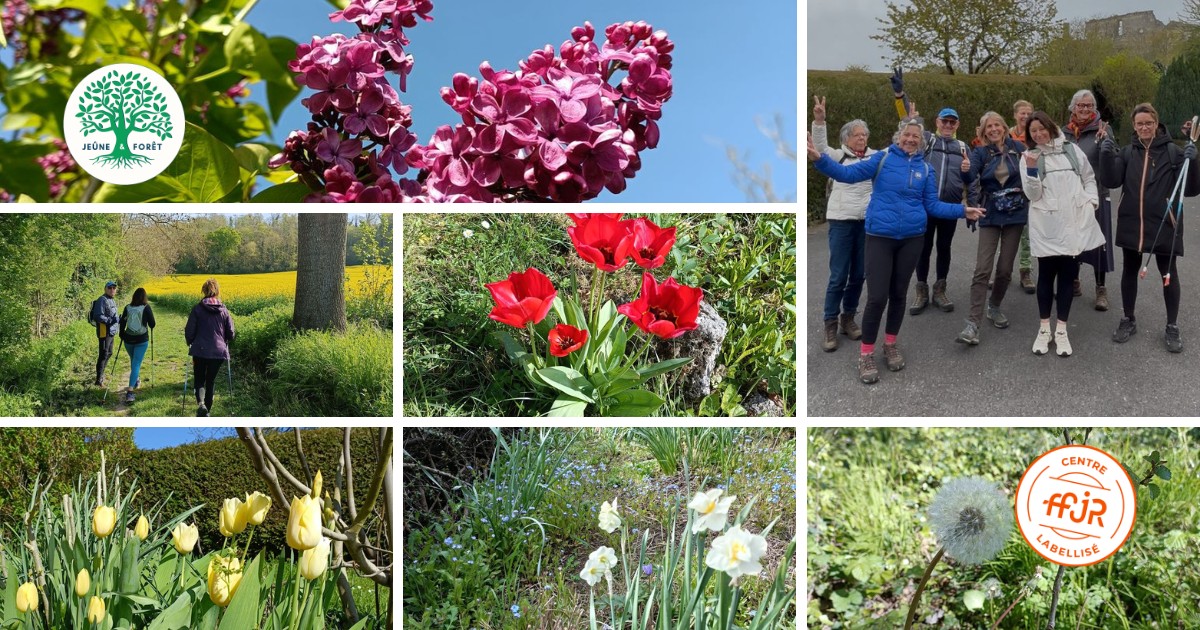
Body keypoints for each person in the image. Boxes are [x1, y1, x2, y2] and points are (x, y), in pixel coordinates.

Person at [809, 120, 986, 384]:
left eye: (916, 136)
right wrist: (819, 158)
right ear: (898, 137)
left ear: (922, 142)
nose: (911, 139)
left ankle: (890, 343)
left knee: (899, 295)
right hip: (880, 237)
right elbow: (847, 175)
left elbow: (933, 205)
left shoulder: (925, 170)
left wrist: (963, 210)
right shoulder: (881, 159)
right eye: (907, 134)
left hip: (912, 239)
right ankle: (866, 353)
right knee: (877, 297)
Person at [1099, 102, 1200, 352]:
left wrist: (1194, 162)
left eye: (1149, 123)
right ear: (1134, 126)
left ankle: (1172, 326)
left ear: (1156, 124)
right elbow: (1111, 180)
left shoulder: (1173, 153)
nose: (1144, 127)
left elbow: (1191, 189)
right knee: (1129, 272)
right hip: (1132, 223)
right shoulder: (1126, 152)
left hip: (1166, 223)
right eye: (1140, 123)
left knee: (1168, 275)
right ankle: (1128, 319)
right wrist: (1105, 154)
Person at [1020, 112, 1106, 357]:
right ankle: (1044, 328)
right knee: (1046, 276)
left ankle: (1062, 331)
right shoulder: (1029, 156)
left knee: (1068, 277)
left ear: (1049, 127)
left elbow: (1089, 177)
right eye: (1033, 131)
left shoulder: (1072, 150)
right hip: (1046, 226)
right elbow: (1032, 195)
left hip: (1073, 224)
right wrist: (1032, 170)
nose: (1038, 134)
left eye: (1041, 129)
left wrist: (1091, 202)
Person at [890, 68, 974, 316]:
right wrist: (899, 94)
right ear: (937, 122)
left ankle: (940, 289)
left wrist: (970, 199)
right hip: (925, 206)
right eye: (944, 121)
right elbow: (908, 123)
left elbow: (970, 179)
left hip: (948, 206)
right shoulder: (927, 140)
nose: (948, 125)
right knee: (923, 249)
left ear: (957, 124)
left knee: (945, 248)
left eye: (952, 121)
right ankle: (921, 290)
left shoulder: (962, 146)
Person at [812, 95, 875, 352]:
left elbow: (901, 145)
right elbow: (819, 149)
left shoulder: (875, 157)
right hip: (841, 222)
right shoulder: (838, 156)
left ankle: (848, 317)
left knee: (859, 274)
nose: (861, 139)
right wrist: (819, 120)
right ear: (846, 138)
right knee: (838, 275)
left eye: (864, 135)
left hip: (866, 224)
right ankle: (830, 321)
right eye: (857, 135)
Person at [959, 111, 1028, 345]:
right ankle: (972, 323)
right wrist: (966, 168)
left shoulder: (1019, 148)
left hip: (1015, 214)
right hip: (990, 213)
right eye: (989, 127)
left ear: (1004, 126)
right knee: (982, 269)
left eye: (997, 124)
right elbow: (969, 176)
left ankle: (995, 306)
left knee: (1005, 269)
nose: (994, 129)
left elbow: (1032, 173)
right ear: (983, 131)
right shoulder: (979, 152)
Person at [1063, 89, 1116, 311]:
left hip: (1097, 194)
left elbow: (1113, 157)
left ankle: (1100, 288)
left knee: (1099, 243)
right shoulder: (1064, 133)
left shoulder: (1103, 129)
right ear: (1073, 108)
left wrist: (1106, 145)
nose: (1085, 109)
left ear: (1094, 109)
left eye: (1089, 105)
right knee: (1073, 241)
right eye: (1080, 105)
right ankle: (1074, 281)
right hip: (1071, 196)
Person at [184, 278, 236, 416]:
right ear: (217, 291)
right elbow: (231, 333)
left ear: (204, 291)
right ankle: (207, 411)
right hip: (218, 352)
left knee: (199, 378)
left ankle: (201, 405)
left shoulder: (197, 309)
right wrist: (226, 339)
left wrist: (189, 341)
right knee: (210, 380)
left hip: (199, 350)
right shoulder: (224, 310)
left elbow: (189, 330)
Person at [1011, 100, 1038, 294]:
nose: (1025, 116)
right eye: (1022, 113)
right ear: (1015, 115)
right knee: (1004, 234)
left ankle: (1025, 272)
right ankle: (999, 272)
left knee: (1027, 236)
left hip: (1029, 192)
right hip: (1008, 192)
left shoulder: (1035, 138)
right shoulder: (1006, 135)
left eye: (1029, 113)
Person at [118, 288, 157, 403]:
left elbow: (122, 322)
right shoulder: (146, 307)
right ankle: (130, 392)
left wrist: (122, 335)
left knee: (134, 360)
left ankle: (136, 380)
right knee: (136, 363)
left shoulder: (127, 308)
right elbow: (152, 324)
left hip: (128, 340)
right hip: (141, 340)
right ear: (144, 297)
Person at [89, 281, 119, 386]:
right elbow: (98, 316)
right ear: (105, 289)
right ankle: (98, 379)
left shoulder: (112, 300)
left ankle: (101, 374)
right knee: (103, 354)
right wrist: (110, 320)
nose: (112, 290)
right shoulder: (102, 300)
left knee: (109, 353)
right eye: (110, 288)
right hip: (104, 331)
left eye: (114, 288)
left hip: (111, 332)